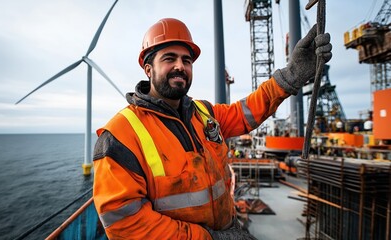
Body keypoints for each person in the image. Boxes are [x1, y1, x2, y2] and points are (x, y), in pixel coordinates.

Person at [93, 18, 332, 239]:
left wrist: (291, 76)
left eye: (186, 60)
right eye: (169, 58)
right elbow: (125, 224)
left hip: (227, 230)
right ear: (148, 69)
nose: (180, 66)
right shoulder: (120, 135)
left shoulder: (204, 113)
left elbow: (246, 111)